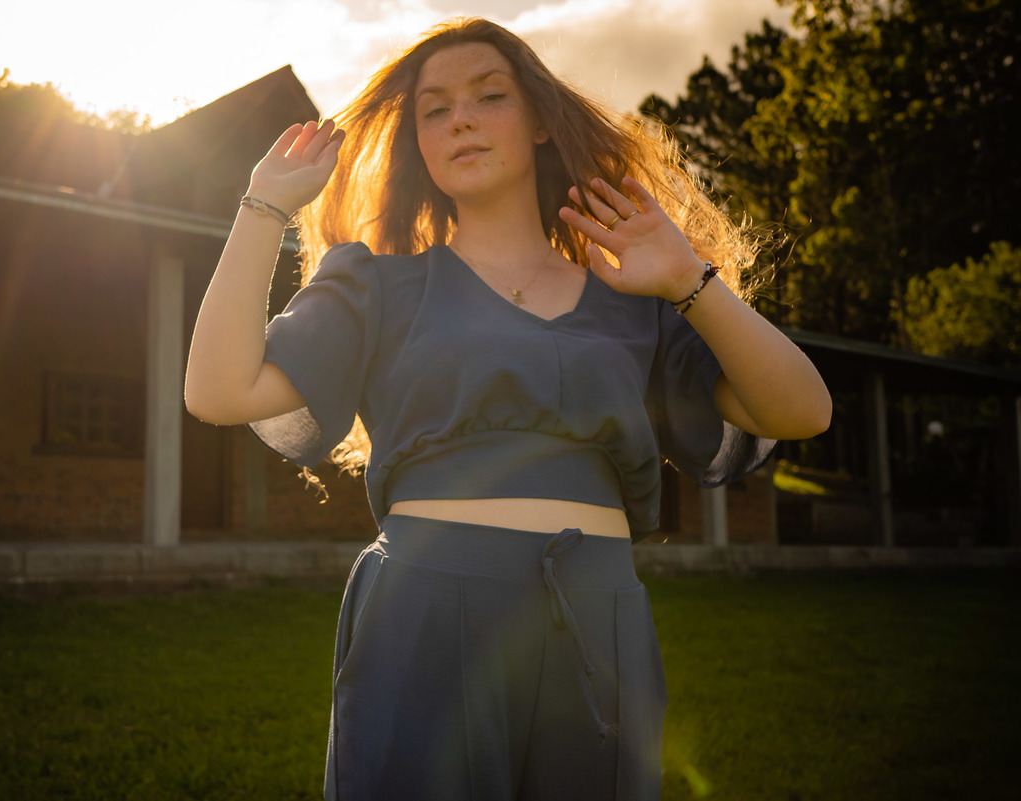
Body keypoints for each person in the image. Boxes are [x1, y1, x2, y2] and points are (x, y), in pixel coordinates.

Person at [185, 17, 831, 801]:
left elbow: (802, 410)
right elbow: (217, 391)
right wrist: (263, 206)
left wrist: (689, 278)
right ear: (419, 144)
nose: (461, 117)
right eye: (435, 109)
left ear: (536, 124)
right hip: (425, 606)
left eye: (490, 96)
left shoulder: (635, 302)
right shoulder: (378, 287)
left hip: (599, 612)